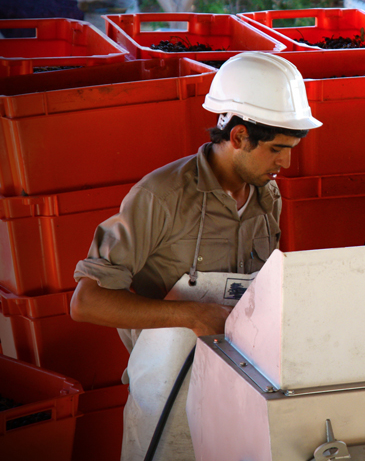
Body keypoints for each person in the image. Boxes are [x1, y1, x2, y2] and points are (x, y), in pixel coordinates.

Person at [69, 51, 322, 460]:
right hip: (167, 390)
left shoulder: (267, 197)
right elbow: (86, 302)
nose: (286, 162)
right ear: (239, 137)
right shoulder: (160, 197)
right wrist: (191, 315)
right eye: (276, 149)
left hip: (240, 389)